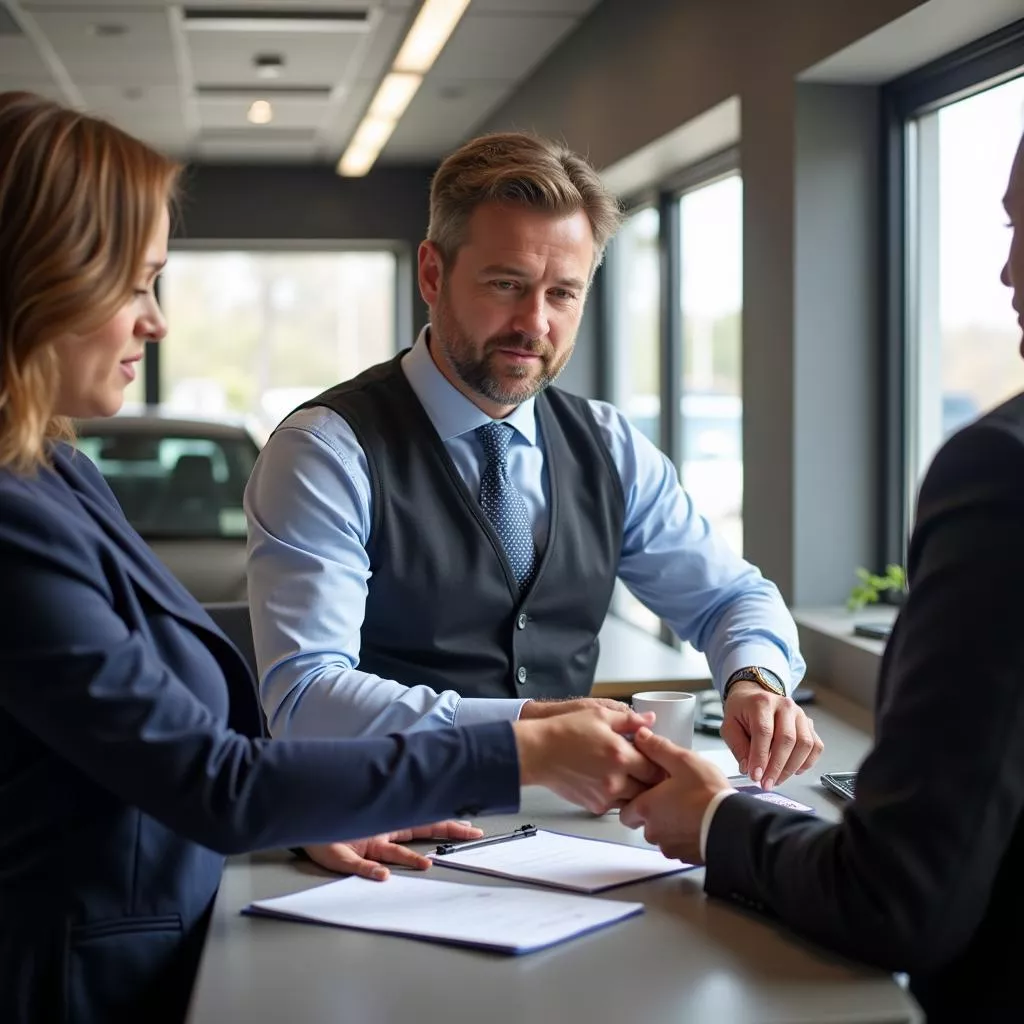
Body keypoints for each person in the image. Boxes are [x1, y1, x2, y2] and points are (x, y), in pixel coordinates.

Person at [0, 92, 661, 1024]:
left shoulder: (54, 466)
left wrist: (313, 806)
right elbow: (214, 778)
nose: (155, 323)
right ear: (37, 279)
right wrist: (525, 747)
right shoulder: (13, 514)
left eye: (564, 292)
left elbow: (176, 751)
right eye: (136, 283)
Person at [244, 131, 823, 875]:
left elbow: (731, 598)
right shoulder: (328, 450)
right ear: (432, 271)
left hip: (572, 849)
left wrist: (755, 677)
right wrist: (528, 735)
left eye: (563, 293)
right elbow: (305, 700)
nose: (535, 325)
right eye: (505, 284)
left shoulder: (609, 445)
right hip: (388, 844)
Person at [618, 126, 1024, 1023]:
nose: (1006, 273)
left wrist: (719, 813)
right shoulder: (328, 448)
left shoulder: (1002, 472)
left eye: (1018, 226)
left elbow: (898, 898)